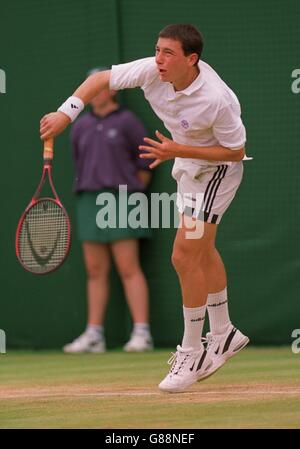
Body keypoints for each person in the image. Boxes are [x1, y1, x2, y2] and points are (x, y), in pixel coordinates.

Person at [40, 23, 249, 392]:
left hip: (218, 171)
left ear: (191, 59)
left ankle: (191, 351)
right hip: (187, 168)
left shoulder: (216, 99)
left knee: (184, 256)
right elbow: (100, 80)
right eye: (157, 50)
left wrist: (175, 150)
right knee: (202, 251)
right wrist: (65, 113)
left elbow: (235, 151)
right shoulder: (151, 71)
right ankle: (224, 333)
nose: (159, 59)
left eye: (168, 53)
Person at [63, 67, 154, 354]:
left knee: (128, 267)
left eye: (98, 85)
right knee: (94, 269)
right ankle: (94, 335)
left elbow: (146, 163)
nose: (93, 91)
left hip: (122, 199)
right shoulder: (80, 126)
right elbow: (80, 163)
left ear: (112, 89)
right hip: (89, 199)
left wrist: (130, 194)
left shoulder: (128, 122)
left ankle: (142, 333)